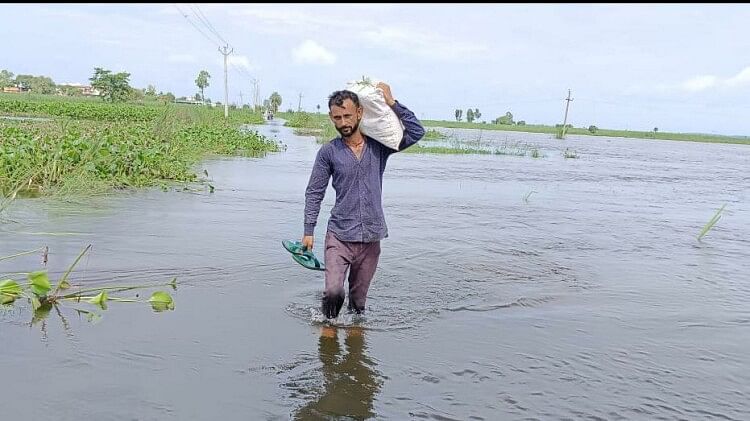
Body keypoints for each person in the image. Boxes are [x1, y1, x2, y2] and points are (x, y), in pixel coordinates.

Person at [302, 82, 425, 319]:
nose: (344, 123)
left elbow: (416, 132)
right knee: (333, 291)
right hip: (339, 236)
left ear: (360, 113)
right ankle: (327, 335)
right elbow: (314, 191)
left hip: (371, 237)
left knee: (358, 304)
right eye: (337, 118)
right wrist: (309, 230)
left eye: (348, 115)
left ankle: (354, 336)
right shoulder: (329, 152)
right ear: (331, 118)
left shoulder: (379, 147)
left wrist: (392, 102)